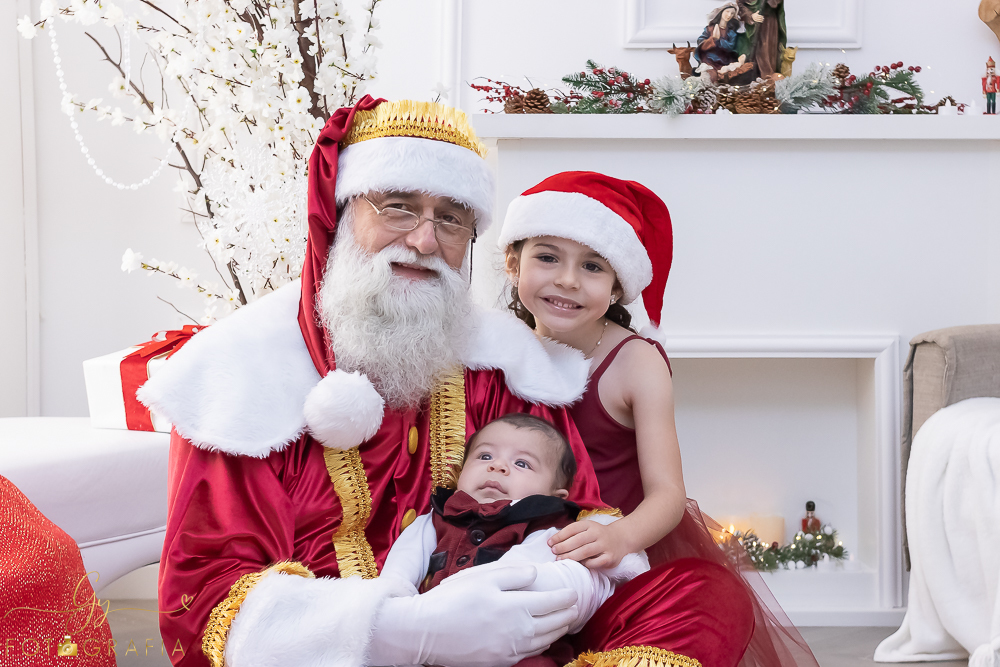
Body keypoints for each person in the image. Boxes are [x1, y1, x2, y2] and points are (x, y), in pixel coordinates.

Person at [139, 100, 754, 667]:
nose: (424, 240)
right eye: (398, 206)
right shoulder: (242, 374)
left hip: (515, 628)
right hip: (341, 653)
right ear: (342, 212)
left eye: (452, 220)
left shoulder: (506, 363)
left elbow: (580, 514)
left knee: (705, 595)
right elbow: (206, 600)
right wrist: (410, 630)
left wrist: (539, 601)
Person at [498, 171, 821, 667]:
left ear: (618, 286)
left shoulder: (636, 362)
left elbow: (668, 494)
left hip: (620, 567)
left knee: (713, 599)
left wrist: (619, 538)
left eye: (591, 266)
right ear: (512, 262)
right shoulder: (496, 353)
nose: (566, 280)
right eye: (547, 257)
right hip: (518, 565)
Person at [380, 413, 649, 667]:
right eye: (485, 455)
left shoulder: (549, 526)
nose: (497, 466)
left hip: (518, 647)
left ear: (555, 496)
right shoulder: (437, 517)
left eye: (522, 463)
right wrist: (396, 610)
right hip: (433, 640)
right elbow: (401, 569)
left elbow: (528, 569)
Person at [737, 0, 786, 78]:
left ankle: (767, 78)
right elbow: (740, 5)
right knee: (754, 51)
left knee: (768, 51)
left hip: (770, 22)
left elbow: (776, 4)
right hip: (753, 26)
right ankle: (753, 77)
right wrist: (751, 15)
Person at [695, 4, 744, 73]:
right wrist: (711, 40)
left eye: (732, 13)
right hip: (709, 57)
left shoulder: (731, 32)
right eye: (727, 11)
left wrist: (718, 40)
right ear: (721, 12)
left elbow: (730, 46)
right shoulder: (710, 28)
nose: (729, 15)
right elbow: (701, 40)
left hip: (724, 58)